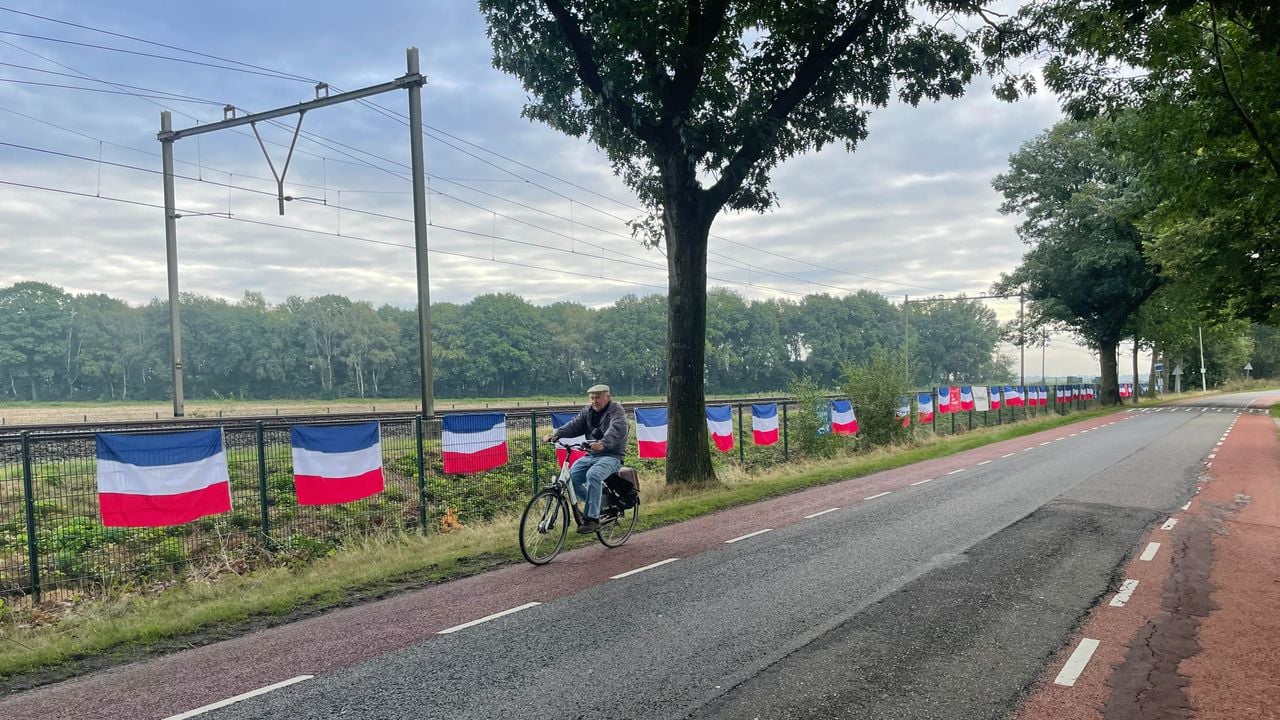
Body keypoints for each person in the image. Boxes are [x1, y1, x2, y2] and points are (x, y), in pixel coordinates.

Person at [544, 383, 628, 533]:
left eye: (598, 398)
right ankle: (600, 503)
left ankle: (592, 518)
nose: (594, 401)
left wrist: (603, 443)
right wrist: (557, 435)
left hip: (612, 455)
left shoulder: (616, 411)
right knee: (571, 478)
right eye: (592, 398)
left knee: (593, 475)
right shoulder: (588, 411)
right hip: (592, 454)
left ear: (607, 397)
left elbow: (616, 429)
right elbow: (574, 425)